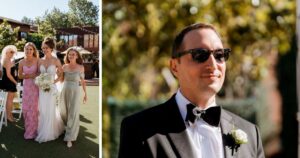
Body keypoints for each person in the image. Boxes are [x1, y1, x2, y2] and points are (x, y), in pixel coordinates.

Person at [118, 23, 265, 158]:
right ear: (175, 66)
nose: (213, 64)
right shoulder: (138, 129)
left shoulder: (251, 134)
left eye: (220, 55)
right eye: (200, 55)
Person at [35, 37, 64, 143]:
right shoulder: (40, 61)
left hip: (51, 89)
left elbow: (60, 76)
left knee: (50, 108)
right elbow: (38, 74)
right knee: (42, 109)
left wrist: (52, 83)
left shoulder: (56, 60)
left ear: (51, 48)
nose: (44, 49)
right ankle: (42, 128)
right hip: (42, 89)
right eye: (43, 48)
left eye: (46, 47)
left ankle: (50, 131)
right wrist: (40, 81)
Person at [59, 47, 87, 148]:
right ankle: (67, 128)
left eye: (73, 54)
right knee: (63, 112)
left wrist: (85, 94)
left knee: (73, 113)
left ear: (77, 56)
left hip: (75, 91)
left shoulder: (81, 67)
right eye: (69, 54)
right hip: (65, 90)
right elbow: (61, 80)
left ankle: (69, 137)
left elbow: (83, 81)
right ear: (67, 56)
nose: (71, 56)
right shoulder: (64, 67)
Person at [18, 42, 39, 139]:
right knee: (26, 108)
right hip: (26, 87)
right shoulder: (21, 62)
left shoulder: (37, 60)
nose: (28, 51)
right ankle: (28, 129)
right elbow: (19, 76)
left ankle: (34, 130)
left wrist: (31, 76)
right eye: (27, 49)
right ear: (24, 50)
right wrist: (29, 76)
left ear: (34, 50)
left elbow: (39, 73)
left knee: (34, 109)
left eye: (30, 49)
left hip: (35, 87)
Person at [0, 45, 18, 122]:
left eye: (13, 52)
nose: (12, 53)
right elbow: (8, 74)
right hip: (9, 82)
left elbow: (13, 72)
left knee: (10, 100)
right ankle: (9, 117)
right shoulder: (7, 60)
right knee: (9, 100)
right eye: (11, 52)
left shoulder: (9, 60)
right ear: (6, 52)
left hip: (9, 82)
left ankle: (9, 115)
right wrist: (15, 82)